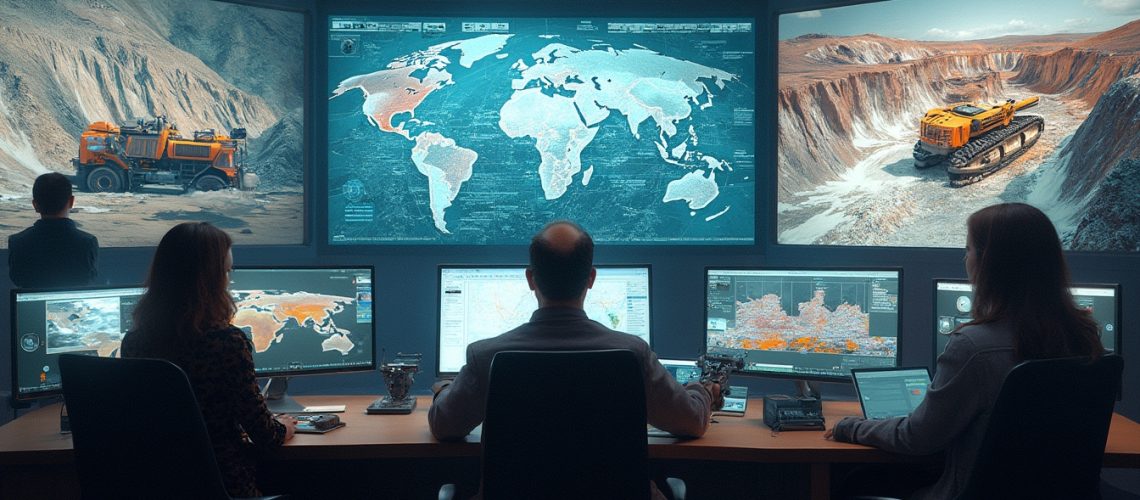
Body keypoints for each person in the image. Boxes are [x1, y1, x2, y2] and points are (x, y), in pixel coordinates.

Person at [825, 202, 1104, 500]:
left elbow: (917, 438)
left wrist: (851, 428)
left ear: (988, 264)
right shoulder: (1086, 339)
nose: (965, 258)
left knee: (853, 482)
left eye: (968, 249)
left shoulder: (973, 348)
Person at [429, 220, 722, 441]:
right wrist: (703, 390)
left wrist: (446, 390)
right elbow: (692, 422)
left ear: (531, 279)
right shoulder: (632, 355)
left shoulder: (486, 357)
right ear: (591, 278)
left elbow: (444, 426)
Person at [121, 222, 296, 497]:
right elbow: (266, 435)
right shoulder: (226, 342)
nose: (228, 280)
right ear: (209, 279)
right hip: (225, 486)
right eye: (226, 272)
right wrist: (284, 426)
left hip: (158, 487)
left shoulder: (134, 343)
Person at [7, 172, 99, 288]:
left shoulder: (17, 242)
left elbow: (17, 279)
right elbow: (88, 279)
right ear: (71, 202)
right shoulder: (87, 242)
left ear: (35, 205)